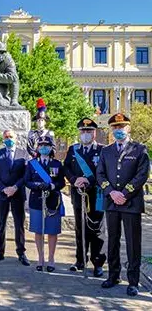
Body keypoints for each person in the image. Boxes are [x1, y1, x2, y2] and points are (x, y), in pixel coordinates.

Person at [97, 113, 150, 296]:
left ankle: (133, 281)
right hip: (112, 202)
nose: (118, 131)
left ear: (128, 128)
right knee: (112, 240)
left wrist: (125, 194)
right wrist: (111, 192)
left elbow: (142, 175)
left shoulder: (140, 150)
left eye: (121, 127)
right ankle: (113, 275)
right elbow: (100, 174)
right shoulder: (106, 151)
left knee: (133, 242)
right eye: (115, 128)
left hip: (131, 203)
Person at [64, 118, 106, 277]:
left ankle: (98, 263)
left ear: (95, 133)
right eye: (83, 131)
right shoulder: (73, 149)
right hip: (78, 194)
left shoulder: (102, 150)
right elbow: (66, 167)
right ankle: (80, 260)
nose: (86, 134)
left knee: (97, 229)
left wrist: (89, 180)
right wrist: (75, 180)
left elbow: (104, 170)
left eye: (89, 131)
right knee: (80, 227)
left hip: (96, 194)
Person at [25, 136, 65, 272]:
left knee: (52, 231)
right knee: (38, 231)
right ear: (37, 148)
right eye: (41, 145)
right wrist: (37, 185)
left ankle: (51, 258)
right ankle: (40, 258)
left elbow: (62, 182)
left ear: (51, 147)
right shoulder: (31, 164)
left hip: (53, 201)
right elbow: (27, 181)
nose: (43, 147)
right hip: (37, 200)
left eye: (46, 145)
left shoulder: (57, 164)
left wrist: (53, 186)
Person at [0, 130, 30, 266]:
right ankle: (0, 252)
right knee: (1, 224)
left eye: (11, 137)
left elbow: (26, 174)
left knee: (19, 224)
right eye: (6, 137)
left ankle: (21, 253)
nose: (8, 139)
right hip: (2, 194)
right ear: (3, 138)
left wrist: (15, 187)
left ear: (16, 138)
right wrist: (3, 188)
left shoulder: (23, 154)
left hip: (17, 193)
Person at [0, 42, 20, 107]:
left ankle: (14, 101)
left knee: (15, 79)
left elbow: (13, 77)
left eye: (2, 53)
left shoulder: (8, 60)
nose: (0, 55)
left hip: (2, 82)